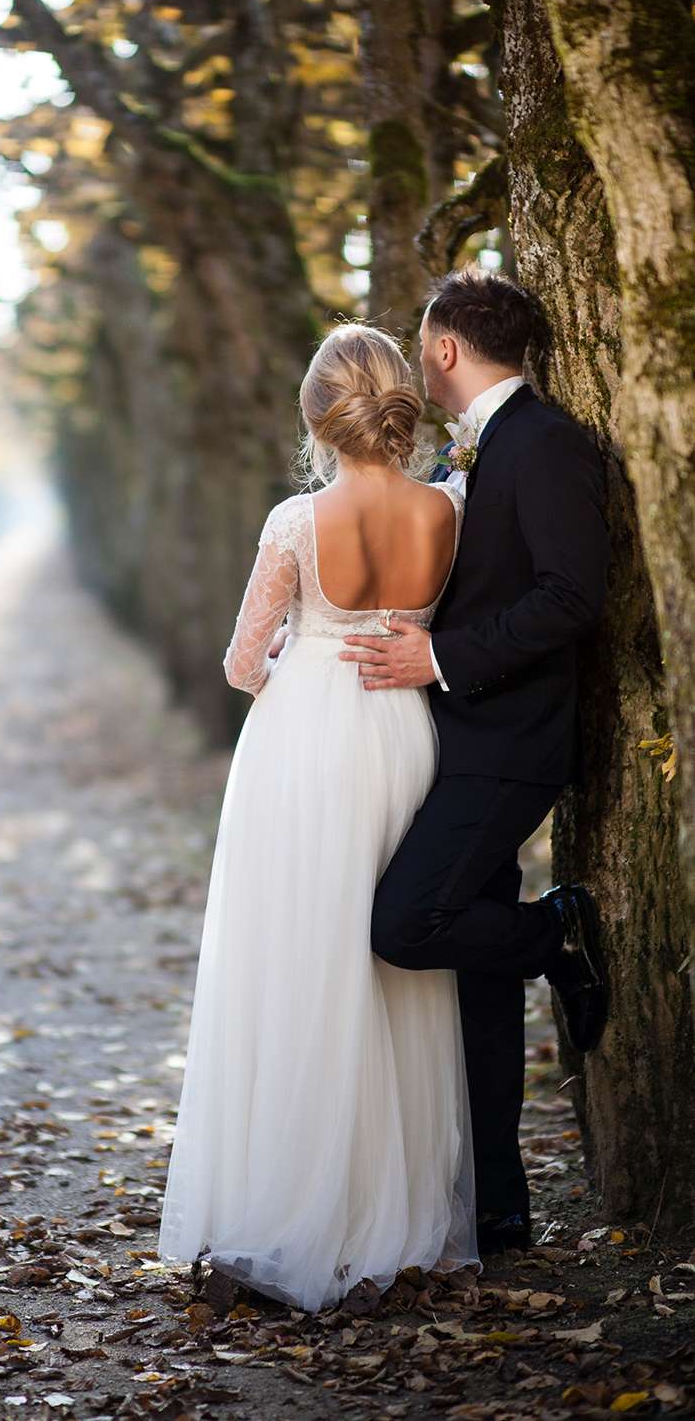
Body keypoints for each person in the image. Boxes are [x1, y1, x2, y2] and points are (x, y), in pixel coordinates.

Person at [157, 322, 480, 1314]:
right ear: (397, 408)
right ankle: (391, 1208)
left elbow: (239, 663)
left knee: (297, 957)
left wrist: (301, 667)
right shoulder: (446, 510)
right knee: (388, 969)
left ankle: (289, 1200)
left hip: (303, 743)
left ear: (315, 415)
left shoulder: (293, 522)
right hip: (400, 732)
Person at [340, 267, 610, 1256]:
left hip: (510, 740)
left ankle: (555, 934)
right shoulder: (485, 449)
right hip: (458, 738)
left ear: (444, 348)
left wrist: (438, 655)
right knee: (471, 986)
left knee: (407, 923)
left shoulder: (542, 445)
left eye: (421, 344)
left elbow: (567, 596)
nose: (417, 360)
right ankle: (498, 1207)